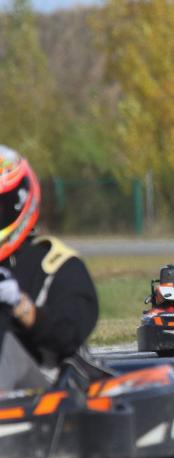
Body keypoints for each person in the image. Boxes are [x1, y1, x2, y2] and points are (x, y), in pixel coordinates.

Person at [0, 146, 99, 391]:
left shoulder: (57, 266)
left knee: (7, 346)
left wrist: (24, 309)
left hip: (43, 396)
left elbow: (70, 333)